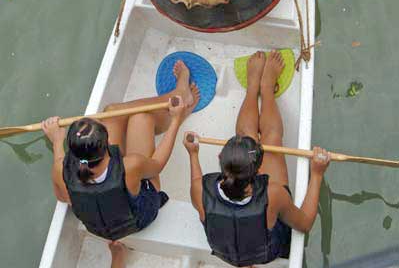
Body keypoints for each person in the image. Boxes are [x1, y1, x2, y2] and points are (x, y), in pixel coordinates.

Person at [184, 50, 329, 266]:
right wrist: (316, 174)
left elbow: (197, 181)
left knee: (248, 138)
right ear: (260, 171)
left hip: (225, 252)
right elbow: (305, 223)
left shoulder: (199, 189)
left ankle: (253, 88)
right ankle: (266, 89)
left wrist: (193, 155)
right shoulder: (273, 193)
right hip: (266, 251)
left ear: (220, 158)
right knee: (271, 140)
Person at [42, 61, 199, 248]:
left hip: (101, 227)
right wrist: (176, 120)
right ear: (106, 143)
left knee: (111, 113)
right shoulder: (130, 166)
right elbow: (158, 164)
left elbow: (64, 198)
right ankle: (180, 101)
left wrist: (57, 142)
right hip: (139, 217)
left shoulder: (61, 168)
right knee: (141, 118)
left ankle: (178, 97)